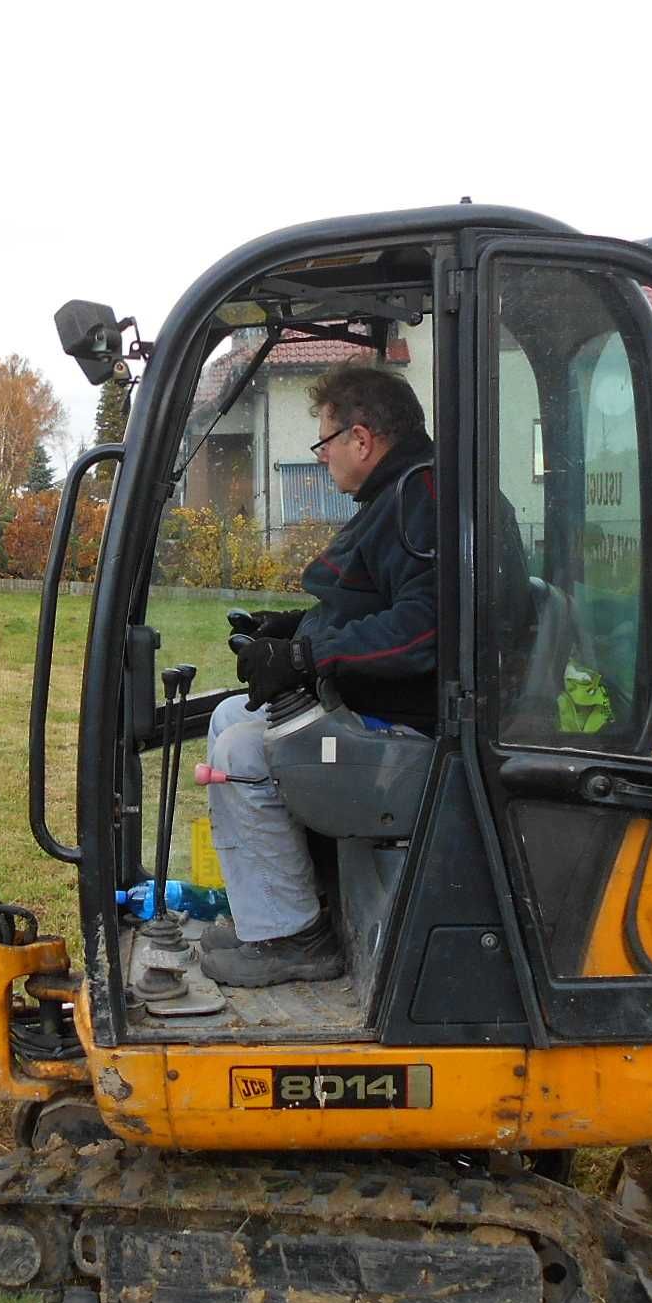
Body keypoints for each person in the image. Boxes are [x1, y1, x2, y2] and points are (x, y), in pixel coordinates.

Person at [198, 363, 443, 988]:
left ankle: (292, 938)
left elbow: (424, 629)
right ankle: (287, 911)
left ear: (361, 439)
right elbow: (367, 606)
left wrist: (307, 659)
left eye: (325, 442)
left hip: (419, 732)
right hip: (393, 706)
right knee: (233, 716)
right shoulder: (403, 492)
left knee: (242, 750)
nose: (324, 457)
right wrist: (293, 629)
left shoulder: (424, 499)